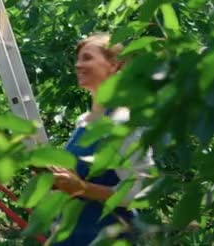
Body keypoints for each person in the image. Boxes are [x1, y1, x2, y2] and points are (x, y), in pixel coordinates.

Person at [50, 33, 154, 245]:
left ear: (115, 65)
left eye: (87, 58)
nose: (78, 65)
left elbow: (140, 192)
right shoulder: (83, 122)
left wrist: (82, 188)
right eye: (77, 59)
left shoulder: (124, 123)